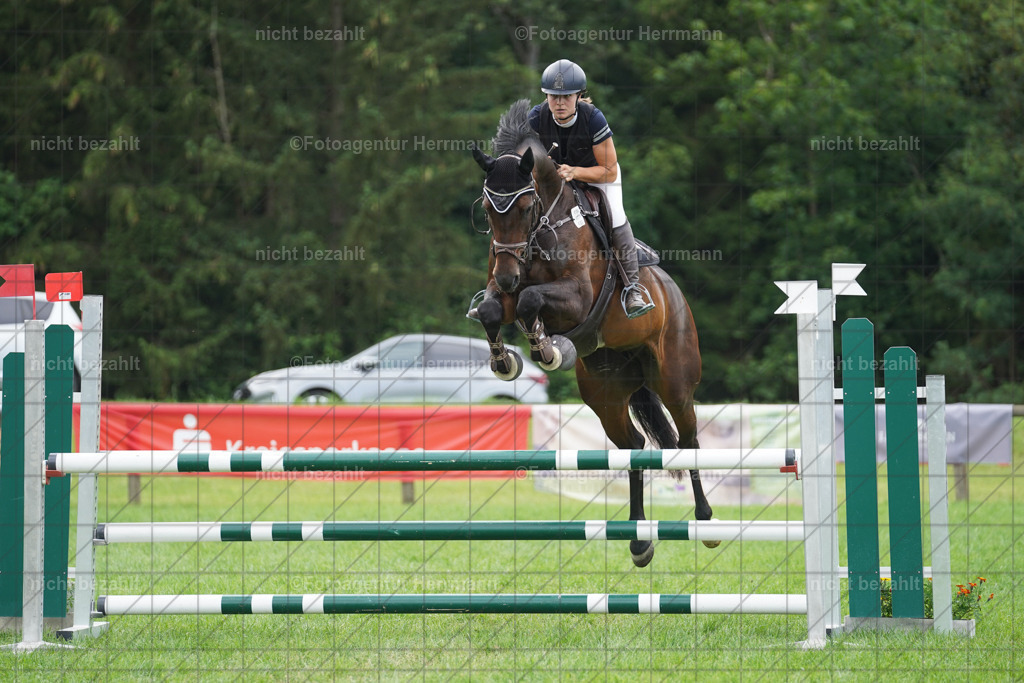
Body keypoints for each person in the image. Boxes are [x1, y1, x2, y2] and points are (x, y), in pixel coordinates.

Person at [527, 59, 654, 318]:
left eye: (566, 96)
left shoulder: (593, 119)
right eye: (553, 96)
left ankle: (632, 288)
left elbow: (610, 170)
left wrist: (575, 172)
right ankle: (502, 286)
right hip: (556, 183)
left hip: (598, 178)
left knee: (616, 216)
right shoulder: (537, 118)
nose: (559, 103)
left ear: (578, 96)